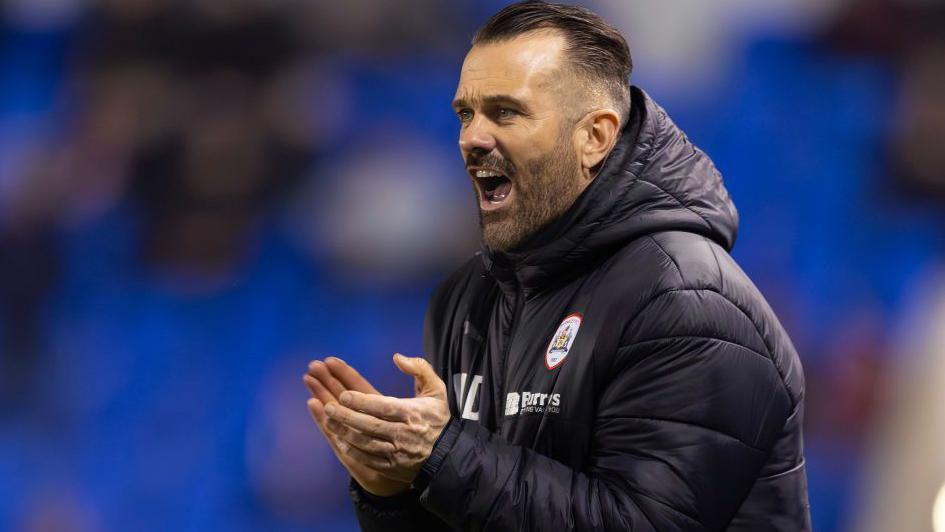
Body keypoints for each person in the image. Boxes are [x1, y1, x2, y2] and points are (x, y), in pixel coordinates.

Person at [303, 1, 811, 530]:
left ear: (594, 136)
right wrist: (392, 492)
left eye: (506, 112)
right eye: (465, 113)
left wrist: (444, 455)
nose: (472, 137)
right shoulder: (466, 302)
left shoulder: (688, 302)